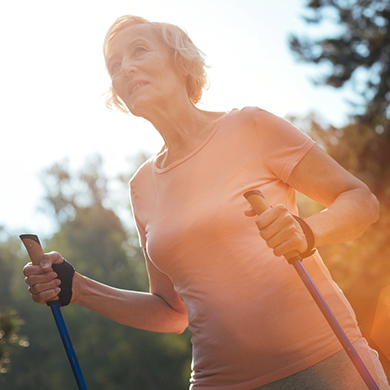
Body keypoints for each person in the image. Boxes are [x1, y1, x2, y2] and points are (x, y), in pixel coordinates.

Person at [23, 15, 389, 390]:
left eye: (139, 51)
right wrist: (79, 289)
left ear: (181, 61)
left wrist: (307, 230)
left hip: (325, 366)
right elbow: (171, 312)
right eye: (115, 66)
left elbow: (360, 200)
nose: (126, 67)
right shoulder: (142, 186)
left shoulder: (251, 126)